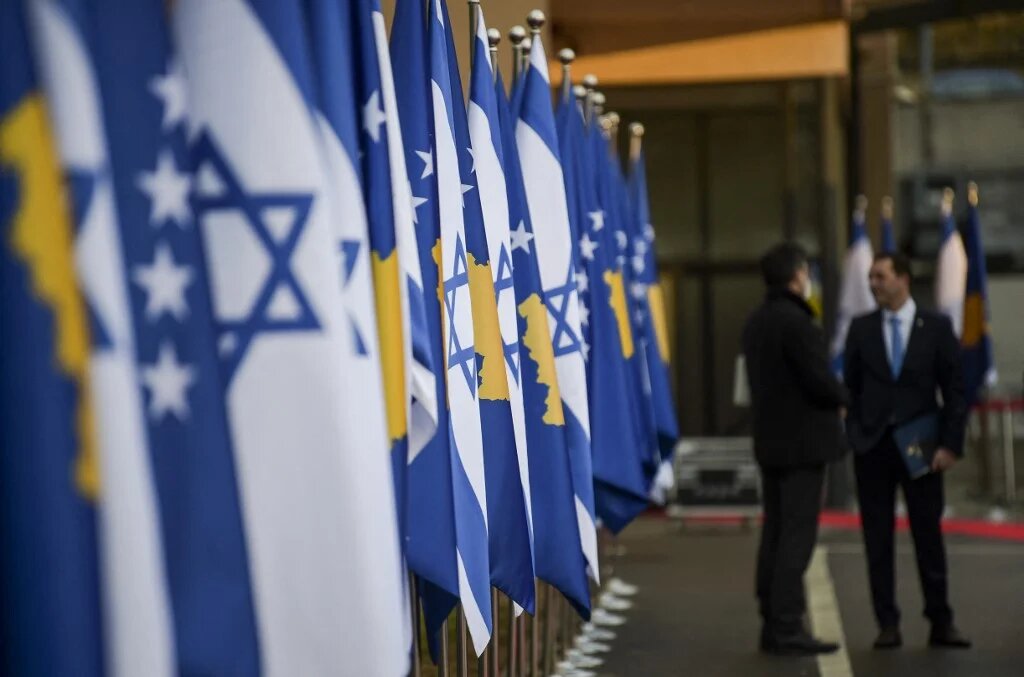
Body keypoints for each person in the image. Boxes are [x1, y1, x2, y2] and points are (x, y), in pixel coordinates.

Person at [844, 252, 971, 649]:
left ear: (903, 279)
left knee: (927, 537)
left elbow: (955, 391)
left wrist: (951, 444)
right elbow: (850, 387)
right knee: (877, 541)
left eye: (881, 276)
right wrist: (855, 433)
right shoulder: (860, 329)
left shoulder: (935, 327)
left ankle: (940, 620)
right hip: (873, 449)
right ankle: (887, 623)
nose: (873, 284)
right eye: (870, 278)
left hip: (923, 449)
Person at [742, 242, 848, 656]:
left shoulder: (756, 322)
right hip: (804, 445)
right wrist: (845, 397)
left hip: (770, 442)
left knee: (775, 531)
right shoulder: (798, 324)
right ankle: (787, 626)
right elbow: (818, 381)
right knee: (796, 537)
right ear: (797, 276)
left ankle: (772, 620)